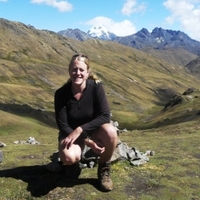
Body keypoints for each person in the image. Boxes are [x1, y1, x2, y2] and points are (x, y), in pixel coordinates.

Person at [54, 53, 118, 192]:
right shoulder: (61, 94)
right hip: (70, 134)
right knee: (68, 157)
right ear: (69, 70)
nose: (78, 73)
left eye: (81, 70)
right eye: (74, 69)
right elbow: (63, 125)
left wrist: (80, 130)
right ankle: (73, 166)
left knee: (111, 132)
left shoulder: (96, 87)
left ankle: (104, 169)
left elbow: (105, 116)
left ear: (88, 72)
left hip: (91, 131)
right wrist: (88, 142)